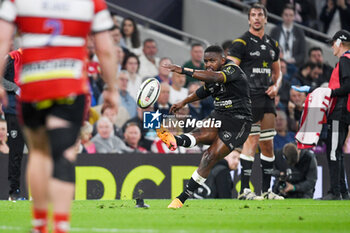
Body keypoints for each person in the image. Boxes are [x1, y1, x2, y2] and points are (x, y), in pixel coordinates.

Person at [0, 1, 119, 232]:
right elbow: (105, 49)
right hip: (69, 86)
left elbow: (2, 40)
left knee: (39, 154)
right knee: (63, 154)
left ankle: (40, 224)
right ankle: (61, 226)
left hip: (33, 88)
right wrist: (112, 88)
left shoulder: (18, 2)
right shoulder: (92, 3)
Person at [158, 45, 252, 208]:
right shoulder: (212, 76)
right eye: (206, 61)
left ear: (223, 60)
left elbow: (215, 78)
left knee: (209, 156)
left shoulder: (232, 70)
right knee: (199, 134)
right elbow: (204, 91)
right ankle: (174, 140)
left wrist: (182, 70)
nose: (208, 64)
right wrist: (183, 101)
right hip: (220, 115)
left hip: (238, 122)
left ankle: (181, 199)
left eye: (212, 60)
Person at [227, 3, 284, 200]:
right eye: (253, 15)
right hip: (249, 98)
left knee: (267, 143)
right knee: (251, 141)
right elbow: (230, 71)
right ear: (249, 19)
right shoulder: (240, 43)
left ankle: (268, 191)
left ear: (266, 19)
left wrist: (276, 86)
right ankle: (244, 190)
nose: (257, 18)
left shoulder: (273, 45)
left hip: (267, 98)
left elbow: (278, 73)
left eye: (260, 15)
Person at [322, 30, 350, 200]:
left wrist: (328, 93)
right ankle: (344, 192)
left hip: (339, 111)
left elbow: (347, 87)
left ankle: (335, 192)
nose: (332, 47)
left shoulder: (345, 60)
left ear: (339, 43)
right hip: (345, 110)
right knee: (337, 150)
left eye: (333, 43)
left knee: (333, 151)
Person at [2, 48, 26, 201]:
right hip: (14, 111)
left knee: (39, 153)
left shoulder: (40, 57)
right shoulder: (12, 57)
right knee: (16, 151)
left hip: (34, 111)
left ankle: (39, 193)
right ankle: (14, 191)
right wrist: (15, 88)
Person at [270, 4, 306, 69]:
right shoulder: (275, 30)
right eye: (286, 15)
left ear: (294, 17)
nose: (288, 17)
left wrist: (293, 60)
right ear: (282, 16)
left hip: (292, 65)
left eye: (291, 15)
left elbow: (302, 54)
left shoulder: (299, 32)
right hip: (277, 62)